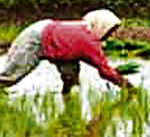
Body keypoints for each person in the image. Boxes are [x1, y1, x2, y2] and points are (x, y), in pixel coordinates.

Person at [0, 9, 133, 95]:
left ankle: (66, 97)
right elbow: (103, 69)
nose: (110, 35)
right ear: (102, 26)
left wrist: (111, 72)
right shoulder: (88, 41)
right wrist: (126, 84)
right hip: (37, 39)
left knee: (71, 75)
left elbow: (98, 64)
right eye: (110, 31)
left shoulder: (86, 32)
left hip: (59, 46)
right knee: (11, 75)